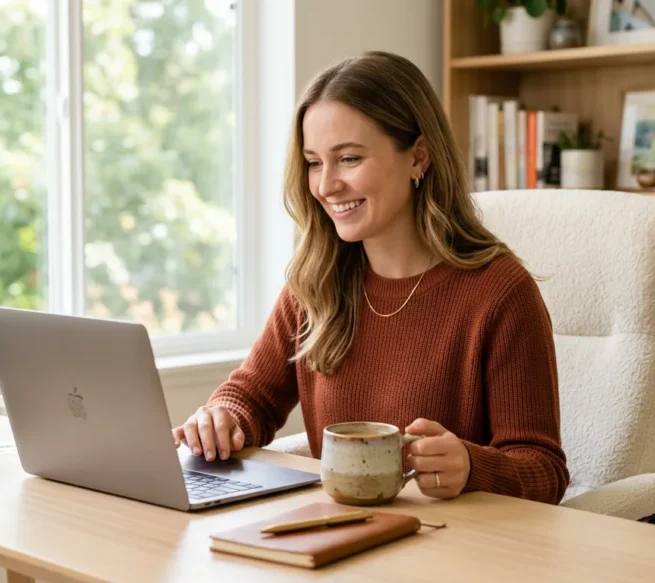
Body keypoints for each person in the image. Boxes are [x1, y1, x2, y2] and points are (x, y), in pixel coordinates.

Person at [171, 51, 569, 504]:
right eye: (314, 162)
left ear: (419, 156)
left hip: (448, 552)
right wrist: (222, 417)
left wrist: (472, 466)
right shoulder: (316, 281)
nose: (325, 186)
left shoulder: (499, 293)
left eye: (349, 159)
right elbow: (253, 397)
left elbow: (544, 471)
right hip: (335, 544)